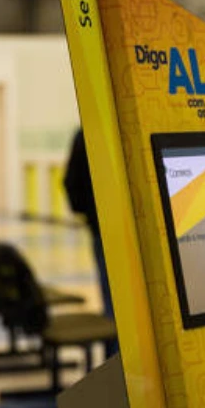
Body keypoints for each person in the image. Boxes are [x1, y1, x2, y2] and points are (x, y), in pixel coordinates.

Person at [63, 128, 118, 357]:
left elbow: (70, 182)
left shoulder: (84, 134)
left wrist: (89, 214)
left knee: (111, 302)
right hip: (119, 230)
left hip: (101, 230)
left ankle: (114, 364)